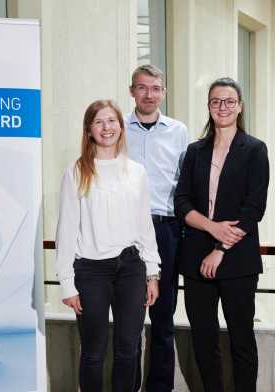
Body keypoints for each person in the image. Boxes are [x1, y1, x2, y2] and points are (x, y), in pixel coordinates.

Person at [55, 99, 162, 392]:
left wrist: (152, 273)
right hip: (90, 272)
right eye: (99, 122)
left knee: (128, 349)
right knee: (93, 352)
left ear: (120, 126)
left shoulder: (136, 171)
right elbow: (65, 230)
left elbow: (144, 226)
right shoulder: (76, 172)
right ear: (90, 130)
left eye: (112, 121)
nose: (107, 127)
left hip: (130, 268)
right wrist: (67, 282)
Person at [174, 77, 269, 392]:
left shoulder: (255, 149)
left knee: (241, 339)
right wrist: (211, 226)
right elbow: (182, 202)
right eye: (216, 101)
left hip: (237, 259)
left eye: (229, 101)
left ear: (240, 106)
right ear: (209, 107)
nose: (223, 107)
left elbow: (253, 208)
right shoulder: (195, 150)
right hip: (196, 258)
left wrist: (220, 247)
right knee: (203, 339)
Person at [125, 64, 188, 392]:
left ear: (163, 92)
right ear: (131, 91)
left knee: (163, 319)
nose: (148, 94)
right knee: (130, 322)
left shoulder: (179, 131)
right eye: (142, 87)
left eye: (155, 88)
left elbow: (186, 185)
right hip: (126, 232)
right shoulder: (117, 128)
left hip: (166, 231)